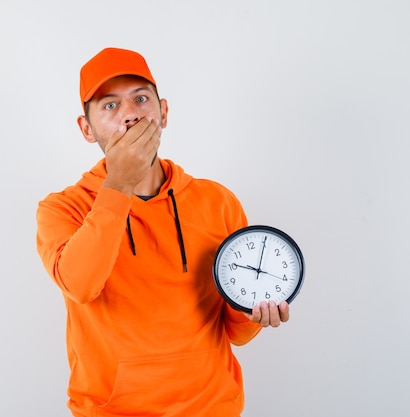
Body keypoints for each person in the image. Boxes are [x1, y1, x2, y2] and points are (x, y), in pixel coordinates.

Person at [35, 47, 290, 417]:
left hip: (213, 407)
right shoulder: (62, 209)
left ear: (163, 112)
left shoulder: (217, 201)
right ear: (86, 128)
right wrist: (120, 182)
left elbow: (236, 331)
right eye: (109, 106)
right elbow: (81, 284)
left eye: (141, 98)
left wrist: (254, 313)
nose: (130, 115)